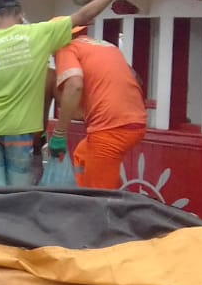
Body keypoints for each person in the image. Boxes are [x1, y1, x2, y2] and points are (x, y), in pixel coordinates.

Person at [0, 0, 139, 187]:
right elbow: (84, 15)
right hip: (20, 131)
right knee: (18, 193)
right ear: (20, 15)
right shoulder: (39, 33)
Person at [47, 26, 148, 188]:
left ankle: (96, 196)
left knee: (100, 192)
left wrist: (59, 133)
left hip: (111, 128)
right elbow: (136, 79)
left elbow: (75, 86)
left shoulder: (67, 48)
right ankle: (83, 191)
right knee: (82, 155)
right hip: (135, 121)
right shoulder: (107, 47)